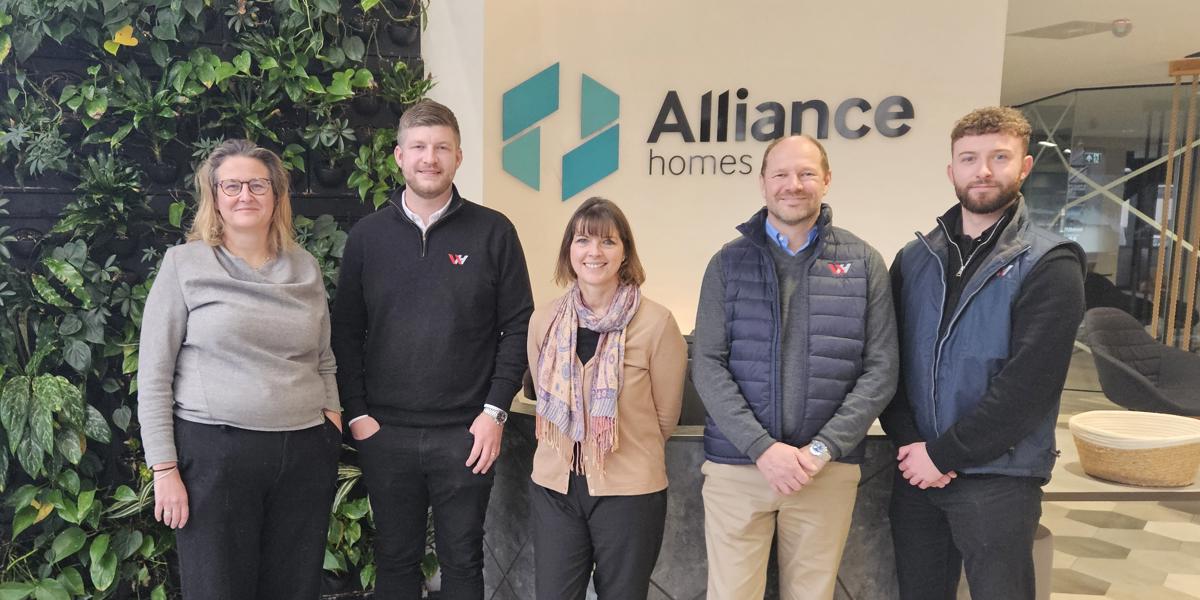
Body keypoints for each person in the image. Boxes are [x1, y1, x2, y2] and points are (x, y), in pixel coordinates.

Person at [331, 99, 534, 600]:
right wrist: (357, 414)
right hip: (386, 433)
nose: (430, 158)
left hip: (466, 433)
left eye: (442, 147)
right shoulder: (367, 237)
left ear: (459, 157)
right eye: (419, 147)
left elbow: (519, 326)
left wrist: (494, 412)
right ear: (398, 156)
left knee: (463, 560)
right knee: (395, 560)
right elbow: (344, 331)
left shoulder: (494, 232)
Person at [881, 106, 1085, 600]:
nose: (984, 170)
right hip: (918, 472)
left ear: (1025, 167)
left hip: (999, 479)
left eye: (999, 156)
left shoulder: (1050, 263)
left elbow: (1029, 386)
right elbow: (888, 362)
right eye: (969, 158)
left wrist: (943, 454)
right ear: (952, 170)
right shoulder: (915, 259)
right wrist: (914, 447)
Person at [692, 134, 899, 600]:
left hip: (823, 471)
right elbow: (707, 365)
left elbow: (881, 369)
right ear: (763, 184)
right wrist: (763, 448)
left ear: (826, 181)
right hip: (738, 467)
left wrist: (822, 449)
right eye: (781, 174)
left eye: (806, 173)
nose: (794, 184)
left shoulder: (864, 262)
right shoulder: (726, 263)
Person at [137, 139, 343, 599]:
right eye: (231, 185)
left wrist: (331, 421)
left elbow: (323, 357)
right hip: (216, 453)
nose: (244, 195)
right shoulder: (184, 265)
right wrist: (164, 467)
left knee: (293, 587)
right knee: (218, 589)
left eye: (257, 184)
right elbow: (154, 373)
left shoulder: (305, 267)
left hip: (304, 452)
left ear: (275, 196)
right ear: (214, 195)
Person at [527, 197, 688, 600]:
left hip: (629, 491)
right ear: (569, 250)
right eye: (582, 240)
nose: (593, 252)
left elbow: (665, 417)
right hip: (555, 488)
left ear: (625, 253)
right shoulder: (544, 319)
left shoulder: (656, 323)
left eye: (607, 242)